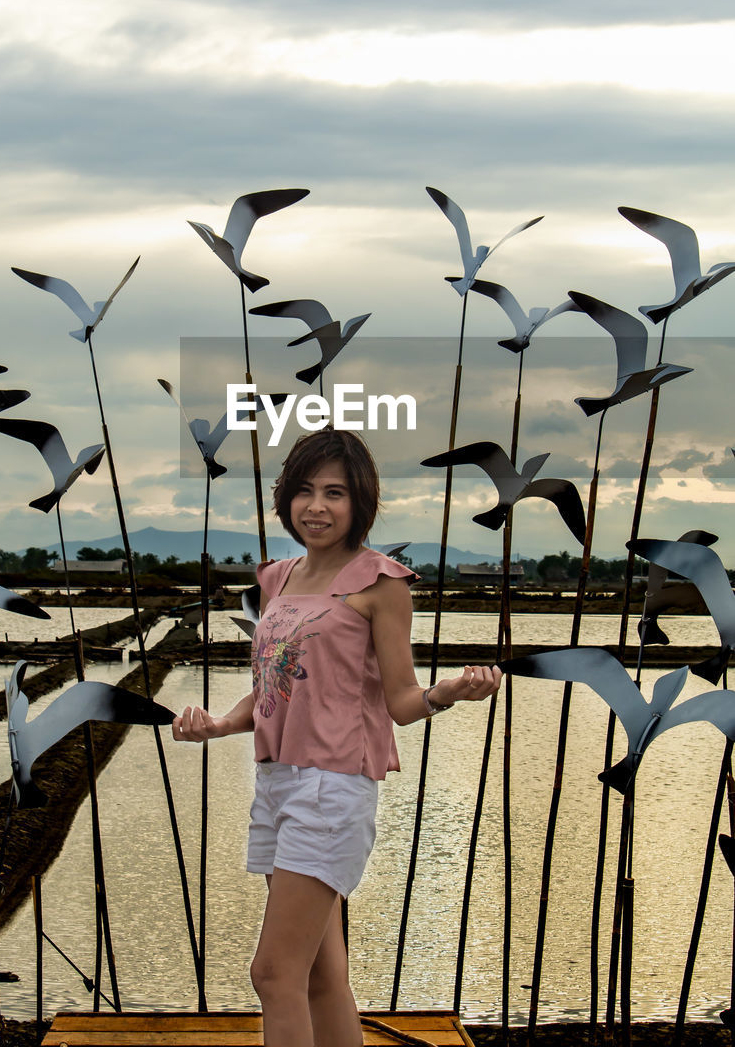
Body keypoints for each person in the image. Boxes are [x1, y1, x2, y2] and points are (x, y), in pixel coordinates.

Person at [172, 429, 501, 1046]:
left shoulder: (381, 584)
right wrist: (217, 724)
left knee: (273, 974)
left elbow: (402, 701)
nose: (315, 506)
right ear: (285, 501)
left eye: (334, 493)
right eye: (303, 491)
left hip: (332, 790)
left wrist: (448, 691)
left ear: (361, 504)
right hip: (274, 783)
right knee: (323, 978)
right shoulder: (278, 579)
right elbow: (273, 689)